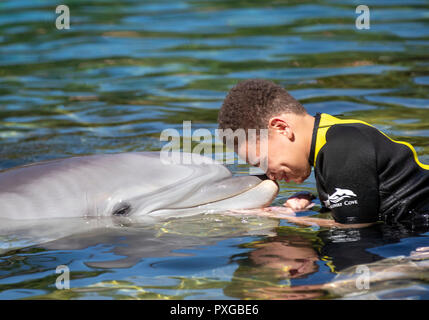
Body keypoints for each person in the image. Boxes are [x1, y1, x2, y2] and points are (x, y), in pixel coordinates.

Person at [217, 79, 429, 229]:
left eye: (262, 161)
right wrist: (312, 210)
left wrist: (278, 217)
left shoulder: (341, 149)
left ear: (282, 128)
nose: (268, 175)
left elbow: (356, 232)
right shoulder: (331, 137)